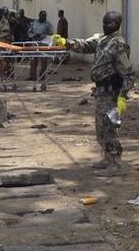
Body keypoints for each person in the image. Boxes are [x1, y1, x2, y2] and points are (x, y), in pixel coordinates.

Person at [52, 11, 134, 175]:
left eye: (109, 23)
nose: (105, 25)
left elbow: (129, 74)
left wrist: (123, 97)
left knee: (110, 127)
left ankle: (116, 164)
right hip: (101, 92)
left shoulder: (118, 44)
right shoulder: (102, 39)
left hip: (112, 94)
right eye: (104, 22)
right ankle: (107, 158)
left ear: (117, 24)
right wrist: (65, 42)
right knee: (100, 127)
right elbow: (85, 45)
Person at [28, 10, 53, 81]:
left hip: (43, 44)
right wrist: (33, 35)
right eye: (42, 15)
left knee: (44, 61)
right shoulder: (34, 23)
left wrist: (42, 35)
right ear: (39, 15)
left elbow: (50, 34)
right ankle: (33, 76)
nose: (44, 17)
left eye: (45, 15)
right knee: (33, 60)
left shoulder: (48, 24)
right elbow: (29, 32)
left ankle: (42, 76)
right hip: (35, 43)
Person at [0, 7, 12, 80]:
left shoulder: (5, 21)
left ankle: (5, 74)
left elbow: (6, 31)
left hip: (4, 41)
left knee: (4, 59)